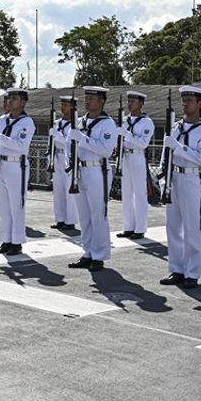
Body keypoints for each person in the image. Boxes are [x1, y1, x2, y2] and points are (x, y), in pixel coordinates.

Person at [160, 86, 201, 288]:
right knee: (172, 227)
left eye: (190, 100)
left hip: (191, 180)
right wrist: (163, 177)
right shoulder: (176, 127)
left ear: (200, 104)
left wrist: (179, 148)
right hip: (173, 177)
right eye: (183, 100)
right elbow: (167, 153)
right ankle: (176, 269)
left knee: (192, 227)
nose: (185, 103)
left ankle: (192, 272)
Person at [67, 86, 118, 271]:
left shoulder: (108, 124)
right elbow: (68, 144)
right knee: (84, 216)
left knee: (99, 215)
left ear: (101, 101)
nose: (87, 101)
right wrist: (70, 164)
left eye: (91, 98)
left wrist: (83, 139)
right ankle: (87, 252)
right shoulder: (80, 122)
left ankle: (100, 255)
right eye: (86, 98)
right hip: (80, 171)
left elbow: (105, 150)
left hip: (98, 171)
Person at [0, 88, 35, 255]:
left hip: (17, 166)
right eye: (9, 98)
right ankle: (6, 239)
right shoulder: (1, 120)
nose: (10, 101)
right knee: (4, 206)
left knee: (17, 205)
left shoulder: (26, 122)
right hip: (2, 164)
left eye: (14, 99)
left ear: (23, 102)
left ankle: (17, 242)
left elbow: (20, 146)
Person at [115, 91, 154, 240]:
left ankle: (140, 228)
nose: (129, 103)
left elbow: (143, 143)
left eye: (133, 101)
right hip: (125, 156)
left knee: (139, 194)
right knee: (126, 193)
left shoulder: (146, 122)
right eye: (129, 100)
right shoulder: (124, 120)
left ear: (141, 104)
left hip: (138, 156)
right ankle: (128, 227)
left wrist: (127, 134)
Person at [48, 94, 79, 230]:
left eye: (65, 105)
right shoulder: (57, 123)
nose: (62, 107)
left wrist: (58, 136)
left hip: (68, 157)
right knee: (58, 190)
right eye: (62, 104)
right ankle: (60, 219)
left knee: (68, 190)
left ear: (72, 107)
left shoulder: (76, 123)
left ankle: (70, 220)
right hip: (57, 157)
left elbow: (70, 141)